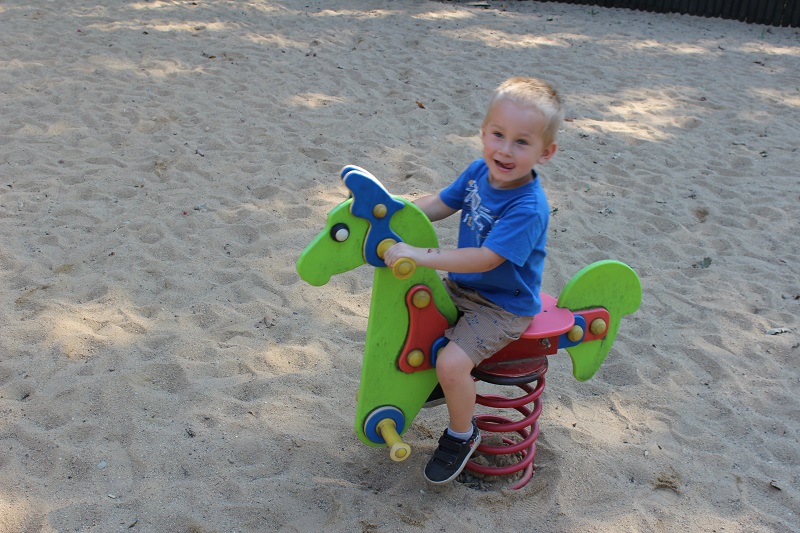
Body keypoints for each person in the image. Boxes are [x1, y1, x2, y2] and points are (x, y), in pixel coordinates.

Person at [383, 76, 563, 484]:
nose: (505, 149)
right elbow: (438, 204)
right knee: (409, 317)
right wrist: (394, 213)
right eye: (498, 134)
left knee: (451, 363)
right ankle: (437, 382)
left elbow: (484, 259)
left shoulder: (528, 206)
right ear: (483, 132)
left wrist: (420, 254)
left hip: (502, 306)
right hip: (464, 290)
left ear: (546, 152)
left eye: (522, 142)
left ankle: (462, 435)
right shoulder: (477, 172)